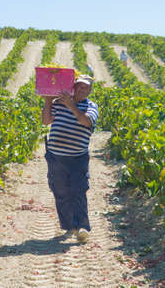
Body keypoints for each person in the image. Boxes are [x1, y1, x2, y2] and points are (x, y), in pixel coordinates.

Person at [42, 74, 98, 243]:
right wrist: (48, 101)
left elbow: (86, 122)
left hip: (77, 157)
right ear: (73, 87)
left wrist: (72, 106)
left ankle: (82, 227)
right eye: (80, 86)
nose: (83, 90)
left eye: (86, 88)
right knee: (60, 191)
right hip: (56, 156)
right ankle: (69, 227)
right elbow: (46, 121)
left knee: (79, 191)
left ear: (90, 90)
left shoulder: (91, 106)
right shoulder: (59, 103)